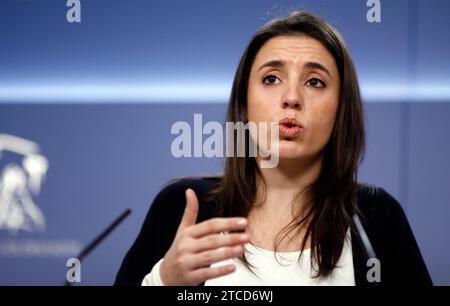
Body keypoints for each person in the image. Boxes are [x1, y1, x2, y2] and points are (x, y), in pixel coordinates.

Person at [114, 11, 432, 286]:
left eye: (315, 82)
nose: (291, 97)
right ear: (244, 103)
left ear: (340, 110)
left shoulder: (378, 218)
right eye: (271, 78)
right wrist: (164, 280)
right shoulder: (182, 208)